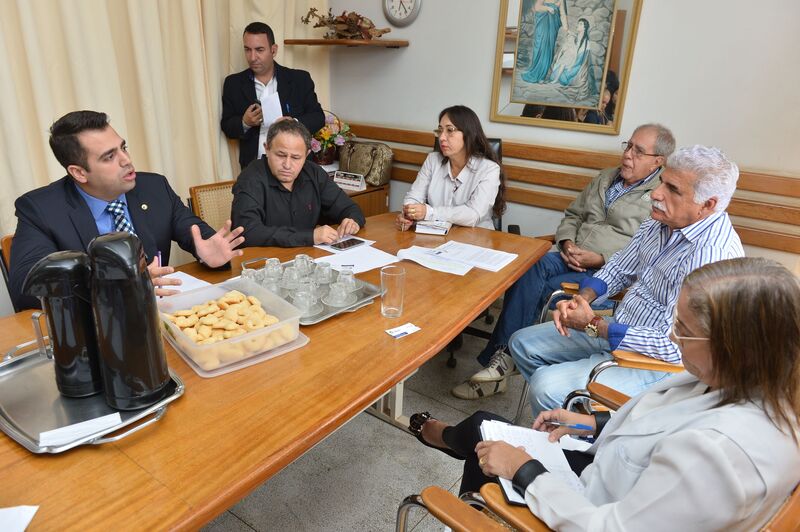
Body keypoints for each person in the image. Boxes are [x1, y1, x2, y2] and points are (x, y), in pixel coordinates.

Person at [410, 257, 800, 530]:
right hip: (606, 479)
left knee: (487, 454)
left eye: (683, 329)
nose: (672, 336)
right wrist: (592, 422)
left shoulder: (720, 455)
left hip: (590, 511)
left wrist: (524, 471)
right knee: (485, 430)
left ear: (732, 346)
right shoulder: (745, 380)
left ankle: (465, 497)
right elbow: (663, 423)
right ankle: (447, 440)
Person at [502, 145, 745, 416]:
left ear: (708, 204)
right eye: (662, 181)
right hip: (617, 330)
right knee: (521, 343)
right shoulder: (659, 223)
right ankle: (581, 416)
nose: (656, 194)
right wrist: (582, 300)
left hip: (658, 363)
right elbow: (619, 268)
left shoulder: (711, 256)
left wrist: (595, 325)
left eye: (673, 189)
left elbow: (673, 345)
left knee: (546, 388)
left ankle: (587, 428)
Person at [453, 124, 674, 399]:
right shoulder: (605, 177)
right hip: (569, 254)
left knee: (546, 289)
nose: (628, 154)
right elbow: (573, 215)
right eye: (628, 146)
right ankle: (504, 359)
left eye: (638, 151)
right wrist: (567, 243)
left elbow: (641, 250)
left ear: (658, 161)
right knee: (527, 268)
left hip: (605, 273)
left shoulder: (660, 196)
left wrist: (600, 258)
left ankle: (501, 361)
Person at [10, 110, 244, 311]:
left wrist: (209, 254)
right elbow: (26, 290)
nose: (127, 161)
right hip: (99, 328)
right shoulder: (41, 209)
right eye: (109, 157)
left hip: (162, 315)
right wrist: (118, 288)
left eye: (123, 148)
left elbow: (199, 237)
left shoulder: (154, 187)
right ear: (79, 173)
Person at [231, 119, 365, 247]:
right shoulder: (250, 178)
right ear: (267, 149)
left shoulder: (314, 173)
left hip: (308, 257)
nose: (287, 165)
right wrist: (310, 236)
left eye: (296, 157)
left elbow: (349, 208)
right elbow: (247, 232)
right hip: (264, 260)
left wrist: (352, 221)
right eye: (281, 155)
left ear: (306, 155)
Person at [221, 22, 324, 170]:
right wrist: (245, 122)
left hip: (295, 168)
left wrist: (293, 123)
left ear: (273, 50)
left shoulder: (299, 79)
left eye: (259, 50)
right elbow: (227, 125)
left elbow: (318, 117)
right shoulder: (233, 83)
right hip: (254, 167)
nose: (252, 57)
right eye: (247, 50)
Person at [396, 105, 505, 231]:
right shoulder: (432, 160)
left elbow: (473, 214)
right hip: (435, 235)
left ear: (468, 134)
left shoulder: (489, 169)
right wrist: (408, 214)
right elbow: (414, 197)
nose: (441, 137)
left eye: (450, 130)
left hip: (476, 237)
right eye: (440, 130)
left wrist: (429, 212)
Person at [521, 0, 568, 84]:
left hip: (552, 28)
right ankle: (537, 73)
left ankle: (543, 75)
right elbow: (537, 7)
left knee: (548, 50)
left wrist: (566, 28)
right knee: (541, 47)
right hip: (542, 26)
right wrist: (548, 8)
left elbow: (563, 14)